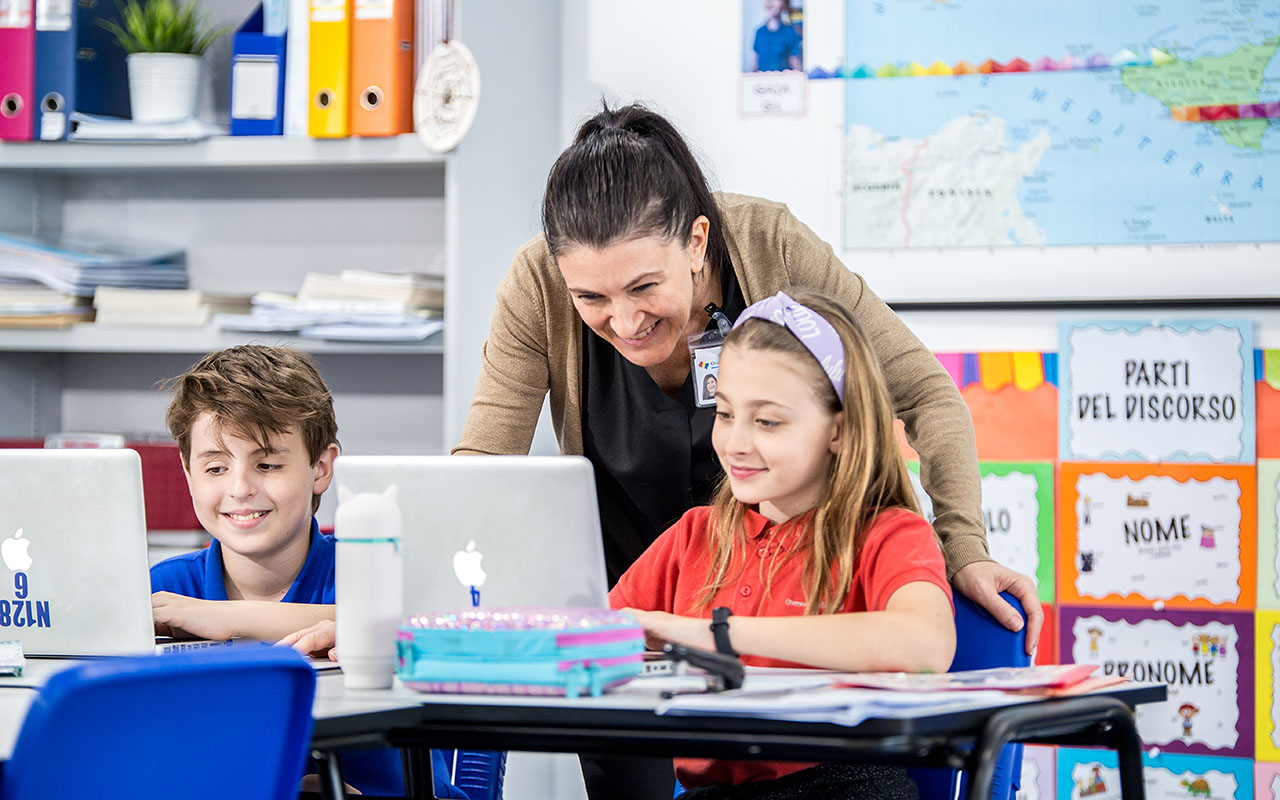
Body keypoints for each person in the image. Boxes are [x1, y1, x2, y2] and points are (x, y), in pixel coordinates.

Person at [287, 102, 1041, 798]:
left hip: (814, 616)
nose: (621, 320)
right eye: (591, 299)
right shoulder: (682, 538)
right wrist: (400, 616)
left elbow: (925, 396)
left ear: (697, 242)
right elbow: (480, 482)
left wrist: (962, 545)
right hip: (656, 609)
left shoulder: (771, 247)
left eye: (644, 285)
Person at [614, 289, 953, 798]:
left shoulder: (887, 534)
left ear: (838, 429)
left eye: (767, 421)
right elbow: (591, 638)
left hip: (844, 787)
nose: (735, 443)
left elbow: (925, 647)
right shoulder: (694, 536)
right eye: (725, 414)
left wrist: (713, 635)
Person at [148, 344, 464, 799]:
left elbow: (420, 627)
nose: (239, 488)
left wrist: (230, 620)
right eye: (215, 467)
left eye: (268, 464)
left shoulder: (375, 567)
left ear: (320, 468)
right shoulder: (168, 589)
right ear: (188, 472)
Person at [750, 0, 802, 72]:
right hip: (761, 80)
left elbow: (795, 64)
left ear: (785, 4)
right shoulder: (759, 32)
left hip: (782, 81)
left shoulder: (790, 32)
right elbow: (754, 63)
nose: (769, 1)